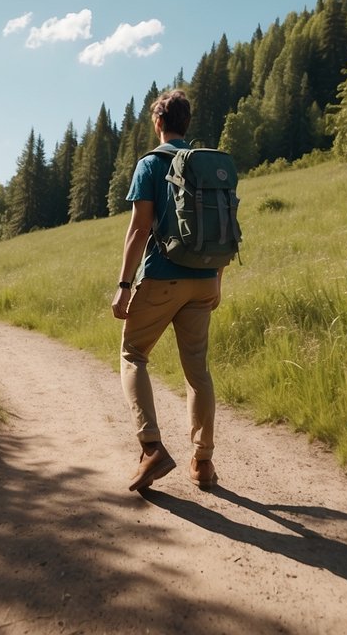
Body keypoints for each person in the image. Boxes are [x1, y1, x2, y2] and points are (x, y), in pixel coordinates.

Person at [111, 89, 224, 492]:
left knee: (133, 354)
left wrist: (125, 286)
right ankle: (203, 463)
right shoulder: (207, 166)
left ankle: (152, 447)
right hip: (204, 280)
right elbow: (218, 229)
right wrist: (216, 282)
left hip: (161, 277)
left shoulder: (150, 164)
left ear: (158, 122)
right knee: (198, 374)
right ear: (186, 123)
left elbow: (140, 228)